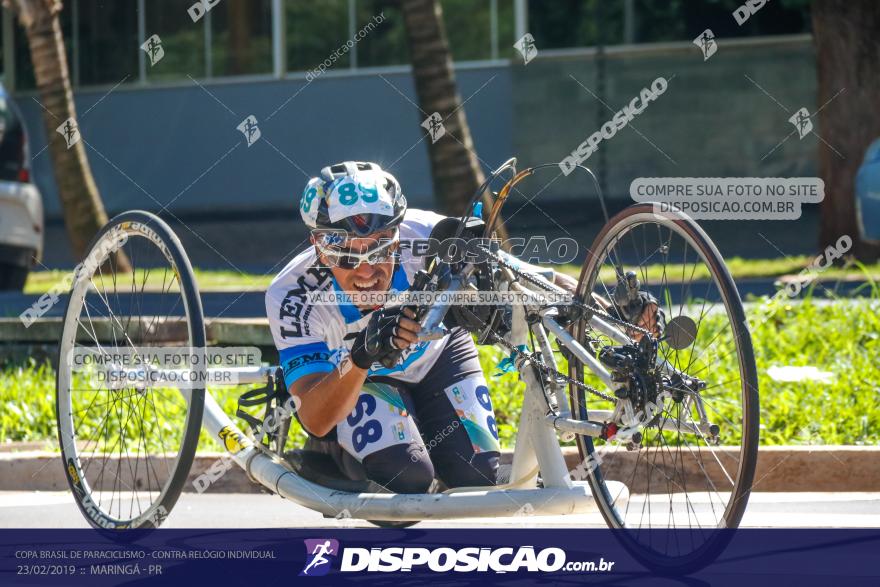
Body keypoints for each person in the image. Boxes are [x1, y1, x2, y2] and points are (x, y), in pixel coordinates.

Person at [265, 161, 661, 494]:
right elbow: (315, 414)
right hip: (358, 376)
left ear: (398, 235)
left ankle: (429, 441)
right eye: (345, 253)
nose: (367, 270)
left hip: (438, 356)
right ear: (318, 247)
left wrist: (611, 314)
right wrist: (362, 354)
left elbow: (527, 277)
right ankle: (332, 454)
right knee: (407, 478)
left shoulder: (427, 235)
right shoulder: (291, 294)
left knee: (476, 477)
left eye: (382, 248)